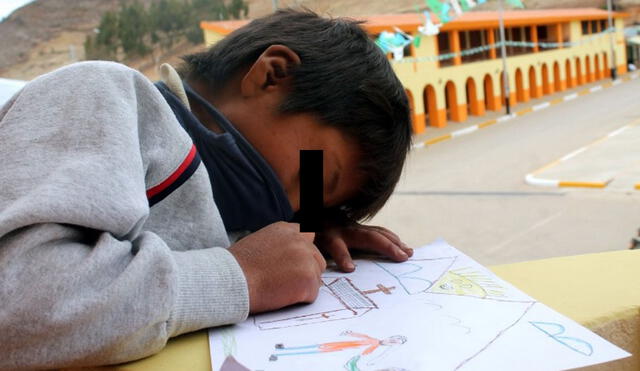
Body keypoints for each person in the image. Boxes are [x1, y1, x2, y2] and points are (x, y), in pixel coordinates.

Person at [0, 9, 412, 369]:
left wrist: (312, 231)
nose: (289, 205)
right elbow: (16, 304)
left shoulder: (240, 214)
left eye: (311, 205)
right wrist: (242, 275)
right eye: (314, 176)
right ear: (273, 74)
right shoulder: (108, 97)